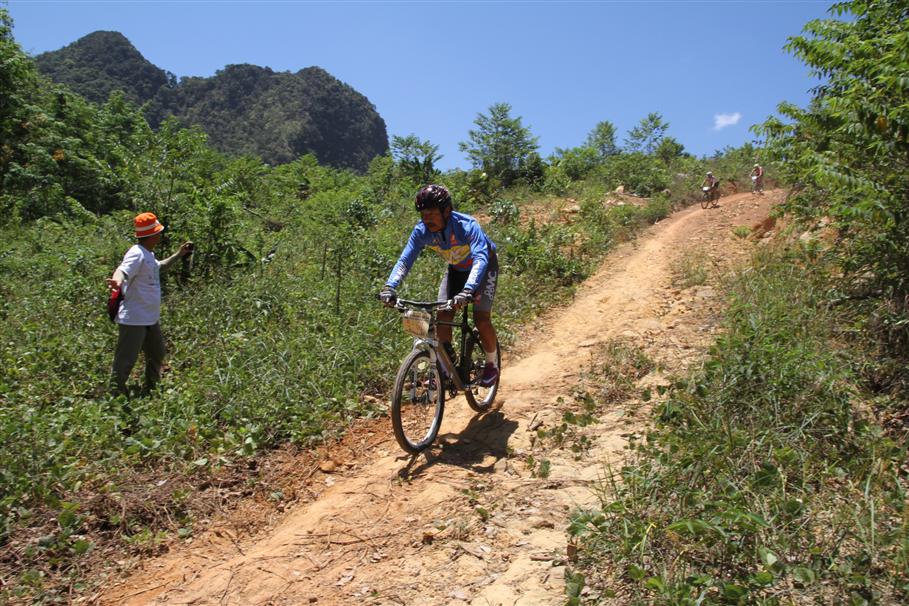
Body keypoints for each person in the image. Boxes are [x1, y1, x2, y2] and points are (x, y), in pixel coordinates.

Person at [380, 185, 500, 387]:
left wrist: (468, 290)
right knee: (443, 317)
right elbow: (405, 260)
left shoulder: (467, 225)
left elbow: (480, 258)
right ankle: (446, 370)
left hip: (485, 268)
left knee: (481, 319)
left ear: (446, 211)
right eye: (423, 214)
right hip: (456, 270)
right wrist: (389, 287)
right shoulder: (421, 231)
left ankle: (491, 364)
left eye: (432, 214)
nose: (427, 219)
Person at [107, 212, 193, 396]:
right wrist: (117, 280)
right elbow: (122, 270)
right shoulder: (136, 253)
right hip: (134, 319)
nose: (160, 235)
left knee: (157, 353)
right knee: (125, 360)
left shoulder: (148, 254)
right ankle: (115, 396)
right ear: (152, 235)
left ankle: (151, 388)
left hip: (149, 318)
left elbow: (159, 267)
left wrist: (179, 254)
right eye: (158, 232)